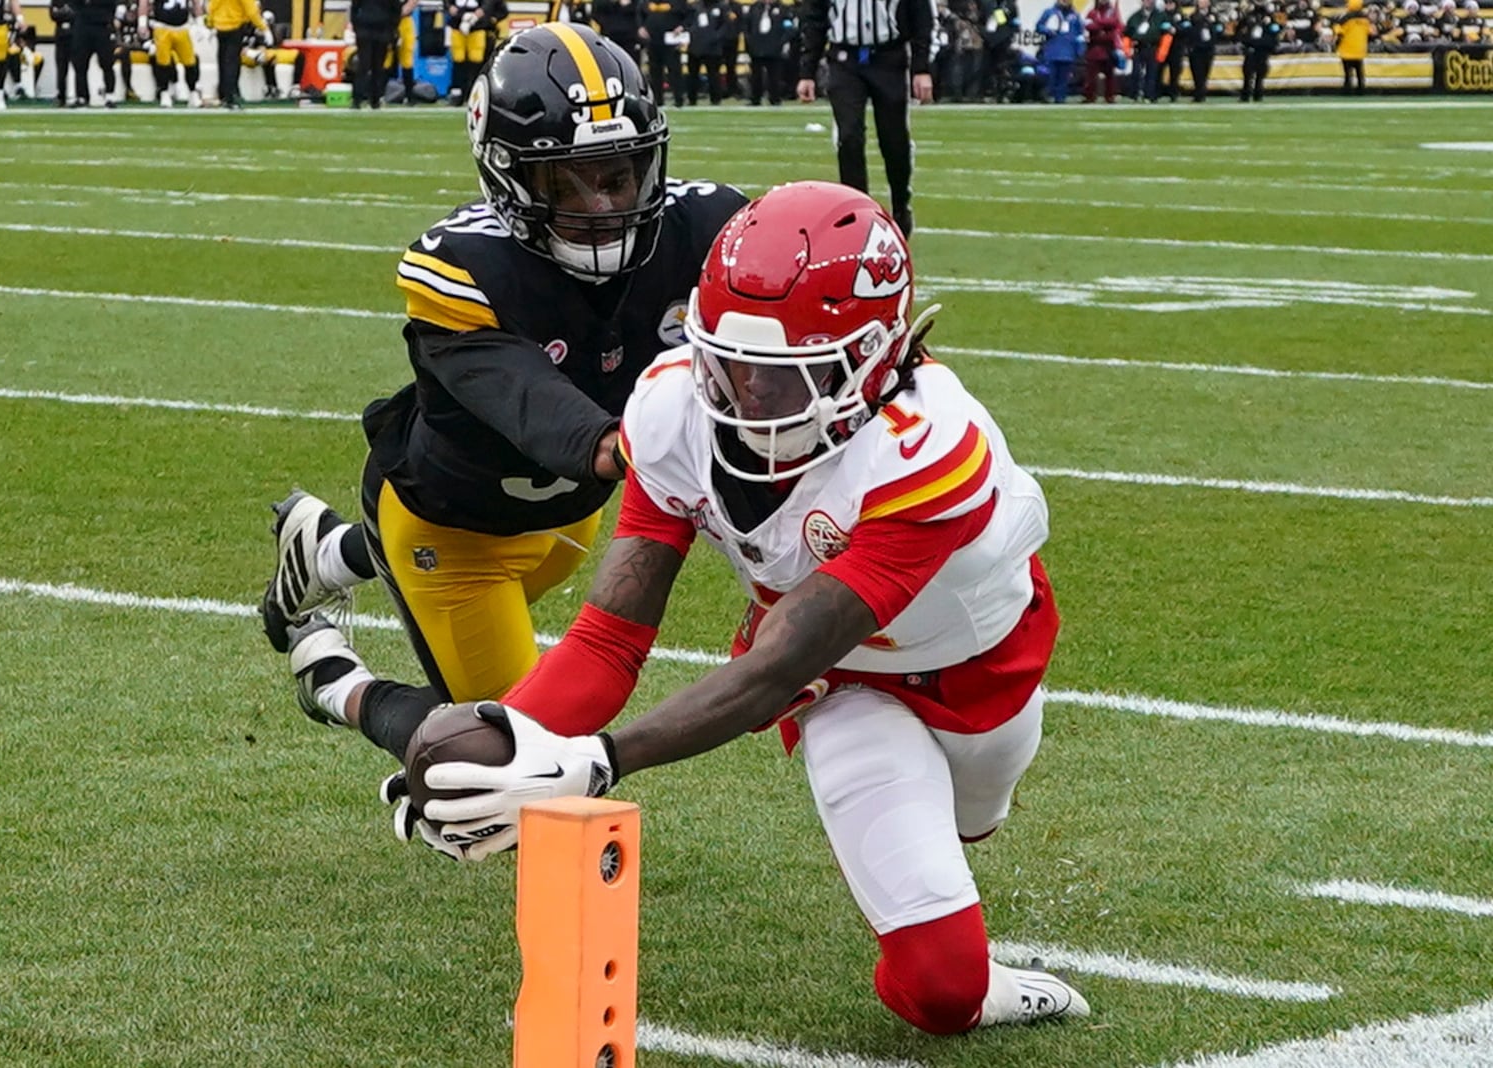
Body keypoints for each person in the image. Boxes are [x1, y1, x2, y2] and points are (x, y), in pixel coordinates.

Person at [370, 181, 1093, 1035]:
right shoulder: (678, 406)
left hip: (980, 672)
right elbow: (609, 637)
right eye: (727, 360)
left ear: (873, 357)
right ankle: (988, 985)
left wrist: (597, 760)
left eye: (785, 375)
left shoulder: (924, 447)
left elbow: (771, 667)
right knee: (941, 995)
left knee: (978, 819)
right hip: (846, 684)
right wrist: (505, 740)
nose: (745, 394)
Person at [264, 23, 747, 764]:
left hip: (566, 523)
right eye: (565, 183)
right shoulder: (462, 267)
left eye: (617, 175)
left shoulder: (707, 226)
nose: (600, 204)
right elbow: (529, 400)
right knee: (510, 754)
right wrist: (621, 444)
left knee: (516, 724)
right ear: (508, 179)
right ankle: (331, 675)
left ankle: (326, 551)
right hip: (451, 536)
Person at [796, 0, 932, 236]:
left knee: (894, 141)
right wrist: (807, 71)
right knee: (849, 136)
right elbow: (815, 16)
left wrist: (921, 68)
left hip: (888, 57)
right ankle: (857, 215)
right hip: (844, 59)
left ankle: (901, 205)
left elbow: (921, 14)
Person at [206, 0, 269, 107]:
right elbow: (251, 10)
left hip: (220, 26)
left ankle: (223, 94)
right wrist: (264, 28)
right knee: (232, 62)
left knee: (222, 60)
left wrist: (211, 23)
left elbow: (212, 6)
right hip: (235, 25)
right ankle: (231, 95)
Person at [139, 0, 201, 105]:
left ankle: (193, 92)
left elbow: (196, 2)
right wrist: (142, 23)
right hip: (162, 27)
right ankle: (164, 92)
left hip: (183, 27)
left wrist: (200, 22)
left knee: (190, 62)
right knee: (163, 63)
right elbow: (144, 2)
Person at [346, 0, 401, 107]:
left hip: (370, 30)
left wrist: (356, 26)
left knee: (367, 66)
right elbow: (396, 10)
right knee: (373, 66)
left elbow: (354, 7)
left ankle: (361, 99)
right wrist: (392, 28)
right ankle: (370, 99)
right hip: (377, 31)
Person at [1033, 0, 1081, 101]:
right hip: (1052, 50)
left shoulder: (1075, 15)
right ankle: (1046, 96)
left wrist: (1079, 50)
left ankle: (1060, 99)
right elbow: (1039, 26)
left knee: (1064, 79)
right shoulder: (1050, 12)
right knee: (1051, 77)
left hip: (1068, 52)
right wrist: (1048, 31)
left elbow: (1079, 33)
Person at [744, 0, 788, 104]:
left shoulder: (783, 9)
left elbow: (789, 29)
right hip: (756, 49)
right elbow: (746, 26)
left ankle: (775, 99)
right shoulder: (754, 8)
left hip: (774, 49)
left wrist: (780, 43)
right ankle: (755, 99)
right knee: (756, 76)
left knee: (774, 76)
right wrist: (750, 41)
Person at [1235, 0, 1279, 101]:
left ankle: (1258, 94)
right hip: (1251, 48)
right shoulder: (1249, 16)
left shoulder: (1269, 17)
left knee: (1260, 73)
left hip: (1262, 49)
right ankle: (1245, 94)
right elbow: (1239, 30)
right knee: (1247, 73)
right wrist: (1245, 41)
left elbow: (1274, 33)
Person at [1177, 0, 1220, 99]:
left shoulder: (1213, 16)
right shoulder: (1192, 16)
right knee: (1197, 72)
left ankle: (1201, 92)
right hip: (1196, 49)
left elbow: (1219, 29)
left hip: (1208, 48)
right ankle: (1198, 93)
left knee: (1205, 71)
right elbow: (1186, 30)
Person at [1123, 0, 1163, 100]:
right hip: (1138, 48)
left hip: (1153, 47)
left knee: (1152, 73)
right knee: (1136, 72)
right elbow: (1127, 34)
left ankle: (1149, 95)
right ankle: (1134, 94)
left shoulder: (1160, 16)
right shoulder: (1135, 17)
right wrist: (1127, 49)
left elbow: (1166, 33)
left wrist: (1163, 50)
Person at [1081, 0, 1118, 101]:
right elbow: (1087, 25)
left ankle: (1110, 96)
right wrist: (1104, 26)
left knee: (1109, 75)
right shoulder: (1092, 12)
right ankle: (1090, 96)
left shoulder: (1112, 11)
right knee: (1091, 76)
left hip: (1108, 49)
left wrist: (1098, 23)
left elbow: (1114, 22)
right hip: (1094, 48)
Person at [1334, 0, 1370, 93]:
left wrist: (1336, 43)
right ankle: (1361, 88)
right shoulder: (1365, 19)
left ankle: (1347, 88)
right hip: (1360, 49)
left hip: (1347, 48)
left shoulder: (1346, 18)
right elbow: (1369, 31)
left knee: (1347, 71)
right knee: (1359, 70)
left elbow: (1339, 31)